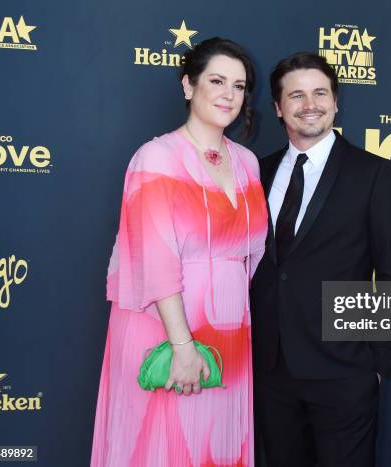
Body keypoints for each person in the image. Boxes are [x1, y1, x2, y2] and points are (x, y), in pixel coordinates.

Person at [91, 38, 268, 467]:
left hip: (229, 329)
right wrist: (183, 345)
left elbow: (251, 256)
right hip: (167, 327)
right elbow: (153, 259)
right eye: (217, 81)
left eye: (239, 85)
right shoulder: (156, 158)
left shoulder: (247, 162)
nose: (229, 94)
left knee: (217, 448)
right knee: (163, 447)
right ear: (188, 86)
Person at [250, 52, 391, 467]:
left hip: (345, 370)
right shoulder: (256, 172)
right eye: (297, 95)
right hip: (271, 371)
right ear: (277, 107)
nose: (310, 104)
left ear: (336, 102)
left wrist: (377, 362)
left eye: (320, 93)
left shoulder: (374, 173)